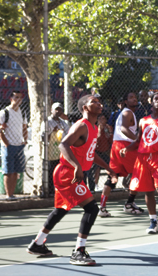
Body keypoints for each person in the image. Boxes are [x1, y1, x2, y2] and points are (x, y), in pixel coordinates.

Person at [26, 95, 116, 266]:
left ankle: (38, 243)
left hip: (70, 172)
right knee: (91, 208)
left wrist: (109, 168)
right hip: (69, 173)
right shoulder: (82, 125)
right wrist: (77, 166)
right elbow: (63, 145)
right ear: (84, 108)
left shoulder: (93, 127)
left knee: (61, 209)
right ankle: (79, 252)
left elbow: (90, 153)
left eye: (99, 102)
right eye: (94, 102)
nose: (99, 104)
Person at [123, 93, 158, 234]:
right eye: (155, 99)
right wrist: (127, 149)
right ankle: (153, 221)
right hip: (143, 159)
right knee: (148, 191)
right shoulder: (143, 120)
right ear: (151, 102)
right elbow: (138, 141)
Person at [99, 92, 144, 217]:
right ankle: (129, 204)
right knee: (139, 173)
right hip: (126, 146)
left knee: (113, 176)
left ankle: (102, 207)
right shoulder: (127, 112)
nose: (134, 99)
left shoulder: (126, 112)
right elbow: (124, 129)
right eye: (131, 97)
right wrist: (137, 140)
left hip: (116, 146)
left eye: (135, 97)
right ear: (125, 101)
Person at [0, 91, 28, 199]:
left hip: (19, 145)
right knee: (8, 171)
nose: (18, 99)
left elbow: (24, 127)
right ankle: (8, 195)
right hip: (8, 146)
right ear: (11, 99)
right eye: (16, 97)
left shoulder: (22, 112)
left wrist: (25, 140)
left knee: (16, 172)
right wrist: (6, 144)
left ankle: (13, 194)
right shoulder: (4, 112)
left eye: (20, 98)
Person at [43, 103, 70, 196]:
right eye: (56, 109)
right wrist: (52, 132)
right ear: (51, 110)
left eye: (60, 110)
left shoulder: (63, 123)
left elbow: (68, 134)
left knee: (61, 171)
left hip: (60, 150)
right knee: (51, 171)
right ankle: (50, 191)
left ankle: (60, 189)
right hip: (50, 151)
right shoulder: (47, 122)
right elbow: (43, 137)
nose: (58, 111)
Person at [87, 114, 112, 192]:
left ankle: (109, 185)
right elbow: (97, 140)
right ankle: (95, 185)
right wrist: (100, 129)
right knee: (96, 168)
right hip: (97, 151)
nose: (102, 120)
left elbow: (110, 140)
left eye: (103, 118)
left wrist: (110, 133)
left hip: (106, 151)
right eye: (100, 119)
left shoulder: (108, 127)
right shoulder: (95, 128)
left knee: (110, 167)